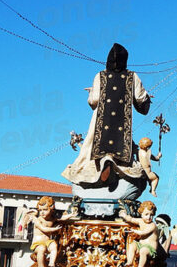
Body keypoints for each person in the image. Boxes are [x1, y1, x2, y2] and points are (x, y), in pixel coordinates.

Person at [62, 44, 152, 192]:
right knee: (122, 146)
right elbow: (141, 98)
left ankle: (104, 163)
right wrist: (147, 98)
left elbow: (94, 100)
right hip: (122, 121)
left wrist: (90, 92)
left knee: (92, 145)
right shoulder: (132, 76)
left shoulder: (100, 76)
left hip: (100, 120)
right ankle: (113, 165)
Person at [119, 201, 159, 267]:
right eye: (146, 214)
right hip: (141, 246)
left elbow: (143, 232)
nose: (149, 217)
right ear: (141, 214)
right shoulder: (141, 221)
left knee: (143, 251)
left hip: (150, 249)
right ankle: (130, 261)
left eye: (151, 215)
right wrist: (124, 215)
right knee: (132, 244)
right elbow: (131, 219)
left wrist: (134, 231)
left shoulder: (152, 225)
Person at [28, 196, 62, 267]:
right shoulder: (37, 220)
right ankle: (41, 266)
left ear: (51, 209)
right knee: (41, 249)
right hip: (37, 244)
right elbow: (44, 229)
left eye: (45, 210)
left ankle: (51, 262)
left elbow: (61, 218)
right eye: (40, 210)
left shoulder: (52, 219)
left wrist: (71, 215)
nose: (42, 212)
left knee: (54, 245)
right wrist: (54, 229)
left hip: (47, 242)